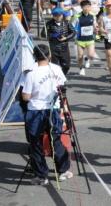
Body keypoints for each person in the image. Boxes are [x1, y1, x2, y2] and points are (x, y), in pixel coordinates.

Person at [21, 45, 73, 185]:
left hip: (36, 111)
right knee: (55, 139)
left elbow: (26, 96)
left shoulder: (31, 73)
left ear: (34, 56)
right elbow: (62, 87)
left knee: (35, 143)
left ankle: (41, 175)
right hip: (53, 110)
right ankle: (63, 170)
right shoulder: (56, 68)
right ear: (48, 55)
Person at [46, 8, 76, 76]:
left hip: (64, 48)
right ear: (53, 16)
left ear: (62, 15)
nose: (57, 17)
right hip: (53, 48)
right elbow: (43, 34)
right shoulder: (49, 24)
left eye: (59, 15)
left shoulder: (67, 23)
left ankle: (61, 77)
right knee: (54, 67)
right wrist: (53, 35)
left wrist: (66, 37)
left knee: (66, 66)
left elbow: (73, 32)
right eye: (55, 15)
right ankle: (57, 82)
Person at [72, 0, 98, 76]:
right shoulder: (77, 16)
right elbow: (72, 26)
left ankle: (87, 59)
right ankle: (81, 68)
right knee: (80, 56)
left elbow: (94, 24)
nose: (86, 8)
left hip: (90, 39)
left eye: (88, 6)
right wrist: (75, 31)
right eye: (84, 7)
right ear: (81, 7)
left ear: (90, 7)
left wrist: (96, 28)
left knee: (91, 55)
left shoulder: (93, 15)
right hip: (80, 40)